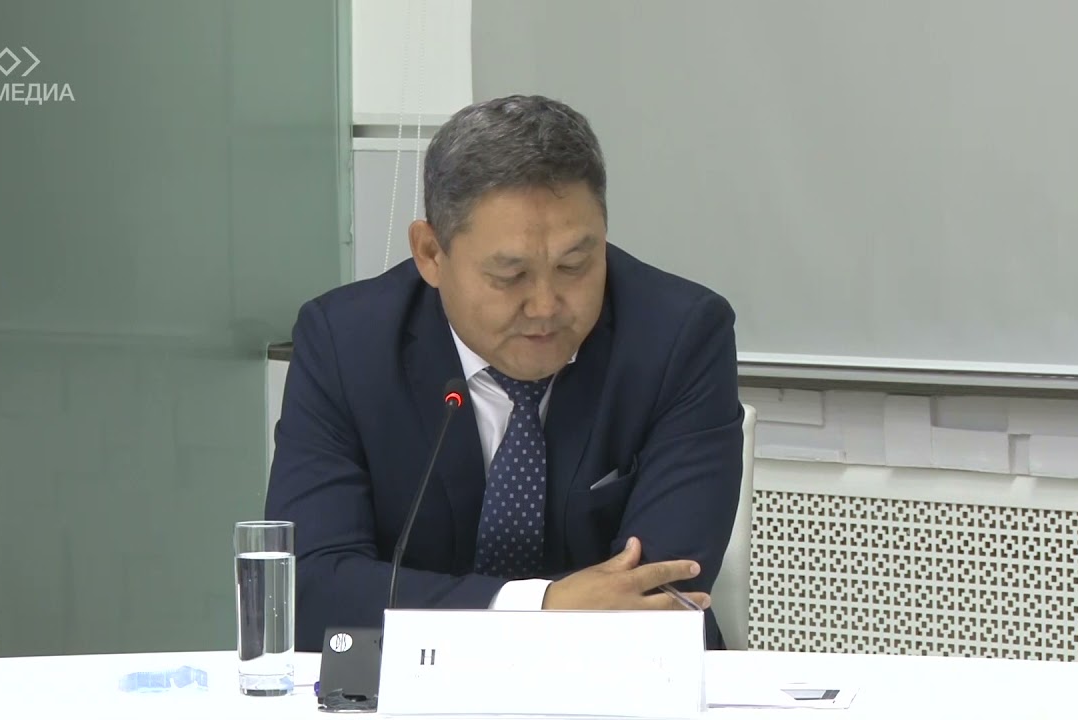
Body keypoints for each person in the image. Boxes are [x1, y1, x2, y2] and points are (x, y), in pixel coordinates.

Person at [265, 94, 744, 652]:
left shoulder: (680, 336)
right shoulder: (347, 345)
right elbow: (311, 587)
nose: (545, 306)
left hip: (626, 682)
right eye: (510, 275)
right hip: (413, 686)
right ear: (431, 254)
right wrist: (537, 607)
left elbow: (659, 595)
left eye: (574, 265)